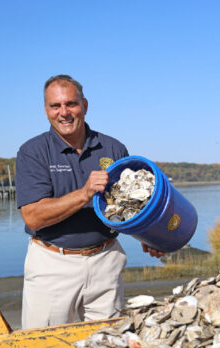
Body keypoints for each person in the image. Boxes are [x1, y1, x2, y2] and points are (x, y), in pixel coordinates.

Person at [16, 74, 163, 330]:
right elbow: (33, 217)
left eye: (71, 104)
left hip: (106, 260)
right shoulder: (33, 152)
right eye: (55, 106)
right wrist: (84, 193)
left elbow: (131, 207)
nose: (64, 112)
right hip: (52, 264)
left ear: (84, 105)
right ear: (46, 110)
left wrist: (153, 238)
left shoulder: (113, 149)